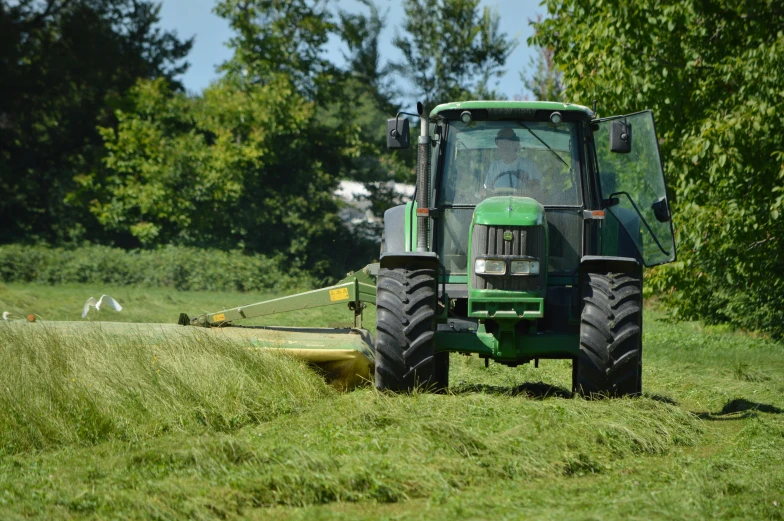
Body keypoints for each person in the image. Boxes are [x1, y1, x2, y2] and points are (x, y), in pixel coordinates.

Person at [483, 127, 541, 193]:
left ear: (515, 144)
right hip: (498, 202)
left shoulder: (529, 165)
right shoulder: (494, 166)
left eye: (508, 142)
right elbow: (487, 190)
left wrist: (526, 181)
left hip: (522, 202)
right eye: (501, 143)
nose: (504, 146)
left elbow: (536, 190)